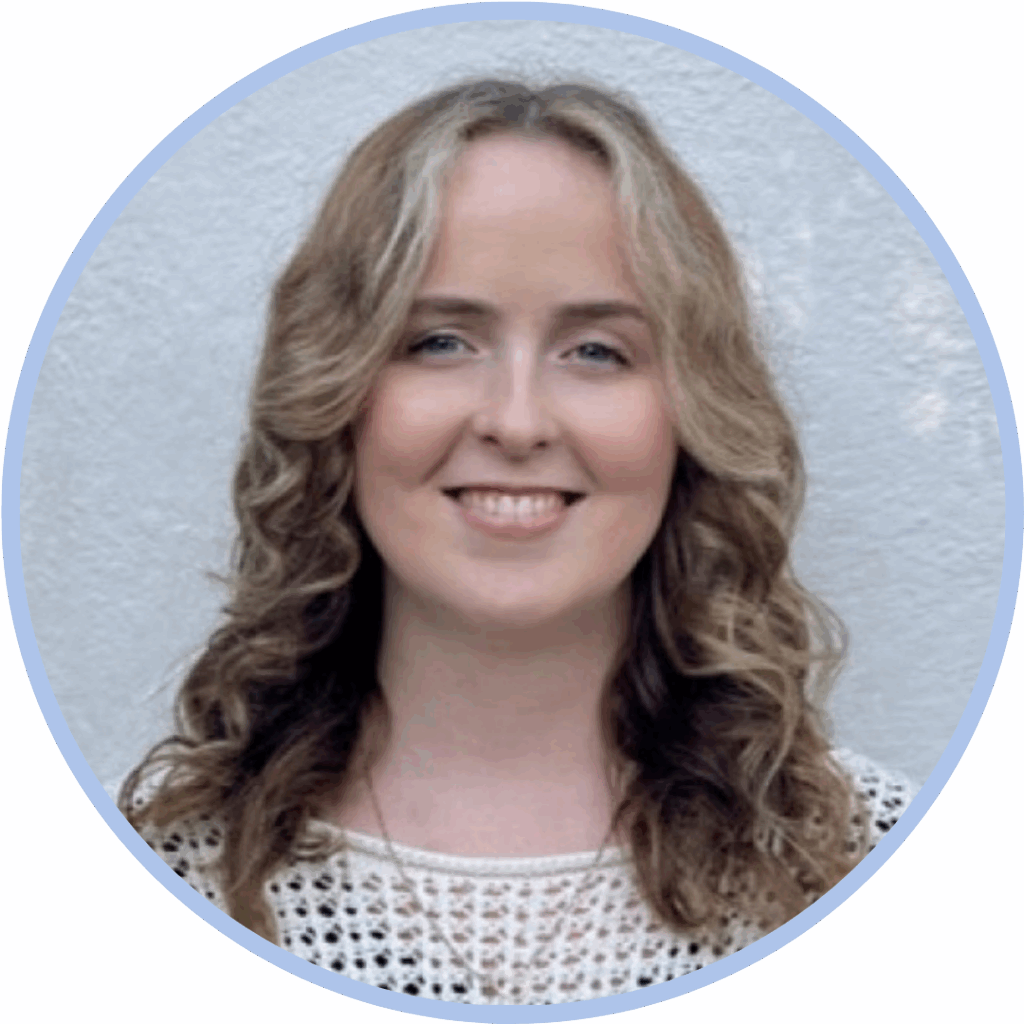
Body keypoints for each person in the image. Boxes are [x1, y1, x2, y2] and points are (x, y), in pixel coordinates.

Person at [120, 77, 915, 1006]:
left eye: (597, 351)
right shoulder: (148, 870)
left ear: (693, 415)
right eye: (440, 341)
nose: (517, 420)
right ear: (334, 398)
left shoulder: (878, 863)